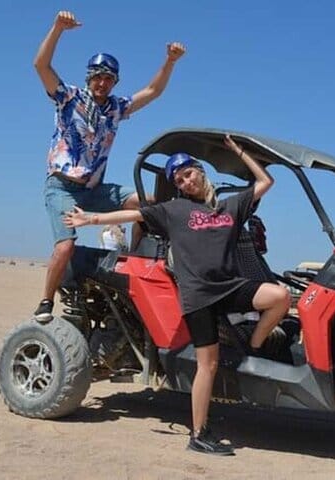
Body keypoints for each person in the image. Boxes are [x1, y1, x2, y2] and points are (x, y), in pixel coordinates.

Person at [64, 134, 291, 456]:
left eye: (188, 173)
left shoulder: (230, 206)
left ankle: (255, 345)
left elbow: (266, 181)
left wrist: (239, 151)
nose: (186, 181)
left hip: (229, 287)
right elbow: (134, 216)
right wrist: (92, 218)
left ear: (199, 171)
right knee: (208, 366)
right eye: (179, 180)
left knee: (280, 297)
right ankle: (198, 434)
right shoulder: (174, 209)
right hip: (198, 296)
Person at [33, 10, 186, 321]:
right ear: (89, 77)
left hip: (96, 189)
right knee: (65, 247)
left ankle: (134, 258)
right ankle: (46, 301)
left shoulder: (116, 108)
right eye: (98, 76)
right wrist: (58, 28)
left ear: (114, 81)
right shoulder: (69, 98)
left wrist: (169, 61)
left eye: (109, 78)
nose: (102, 83)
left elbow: (153, 92)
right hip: (63, 188)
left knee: (151, 203)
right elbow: (41, 65)